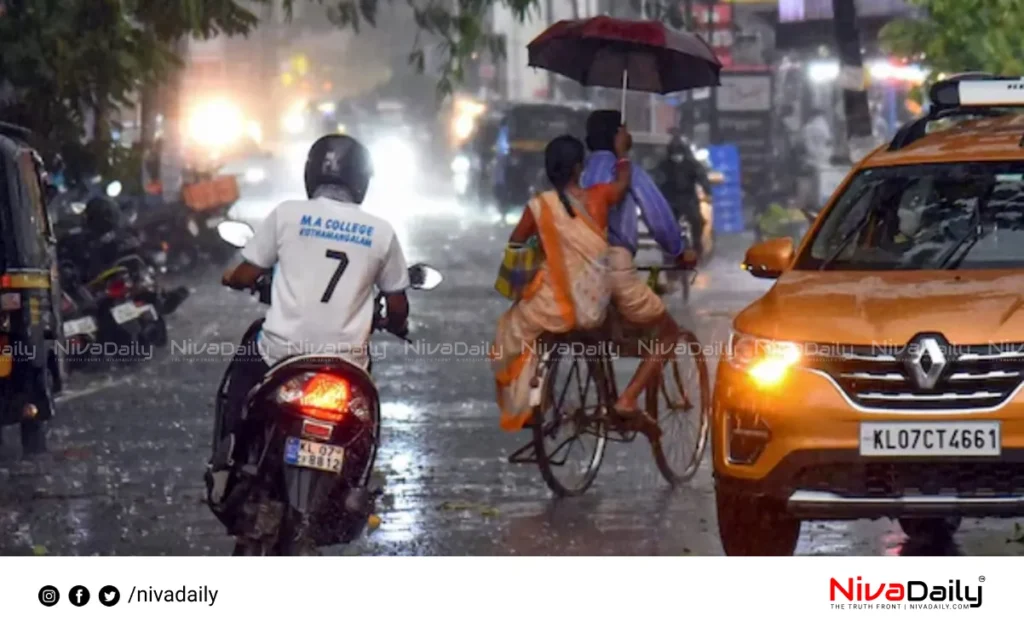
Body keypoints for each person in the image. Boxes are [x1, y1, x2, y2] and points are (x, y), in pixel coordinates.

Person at [218, 134, 411, 456]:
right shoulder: (381, 231)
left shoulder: (287, 214)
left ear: (310, 175)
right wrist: (396, 323)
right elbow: (397, 303)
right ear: (361, 181)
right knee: (364, 421)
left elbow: (245, 274)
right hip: (346, 361)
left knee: (240, 385)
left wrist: (232, 278)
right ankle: (355, 473)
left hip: (280, 353)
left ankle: (229, 455)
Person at [492, 132, 632, 431]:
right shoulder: (600, 195)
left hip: (554, 309)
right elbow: (622, 184)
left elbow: (516, 244)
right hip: (596, 304)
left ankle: (529, 404)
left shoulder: (539, 206)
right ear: (579, 168)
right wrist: (621, 153)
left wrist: (543, 248)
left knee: (512, 329)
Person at [581, 110, 697, 419]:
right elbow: (658, 217)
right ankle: (627, 399)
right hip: (613, 263)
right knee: (668, 332)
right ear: (620, 135)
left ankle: (602, 397)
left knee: (594, 333)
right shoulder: (626, 172)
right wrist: (678, 250)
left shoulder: (577, 171)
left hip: (575, 267)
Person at [658, 133, 711, 258]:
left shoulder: (692, 164)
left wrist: (708, 191)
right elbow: (657, 180)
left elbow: (702, 178)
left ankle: (697, 245)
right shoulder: (664, 165)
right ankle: (668, 250)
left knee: (698, 221)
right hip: (670, 200)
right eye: (674, 154)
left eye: (679, 153)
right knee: (667, 225)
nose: (677, 157)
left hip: (689, 199)